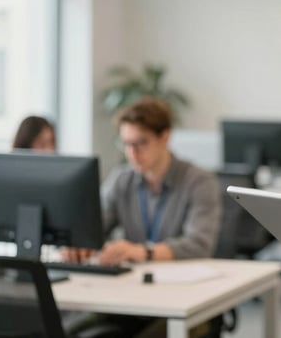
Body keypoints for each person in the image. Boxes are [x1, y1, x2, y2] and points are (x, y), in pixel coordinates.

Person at [64, 97, 222, 337]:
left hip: (183, 298)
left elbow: (199, 245)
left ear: (165, 137)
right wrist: (79, 242)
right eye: (126, 144)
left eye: (141, 143)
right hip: (132, 294)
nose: (132, 153)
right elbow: (94, 224)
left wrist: (142, 251)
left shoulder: (199, 181)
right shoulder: (122, 179)